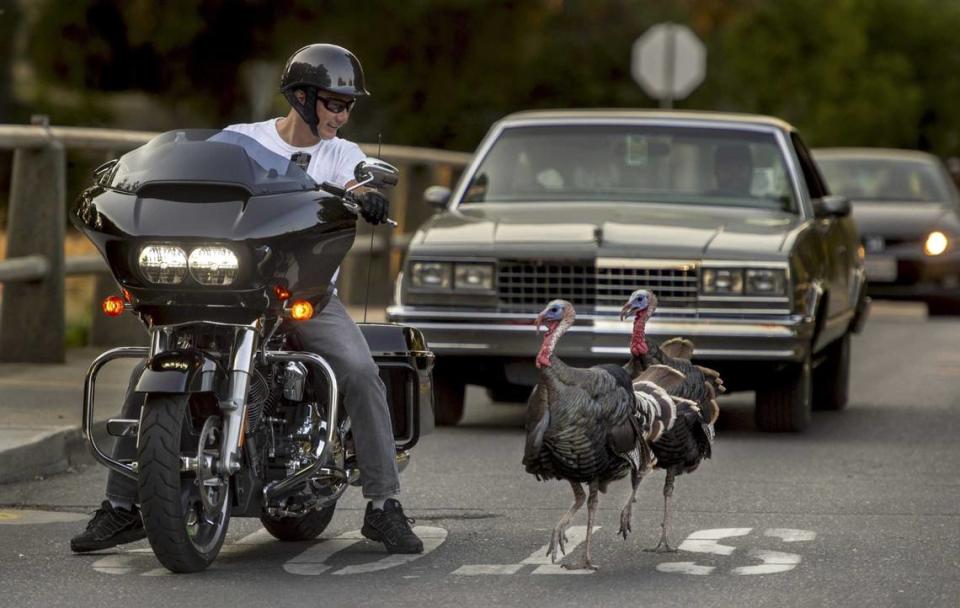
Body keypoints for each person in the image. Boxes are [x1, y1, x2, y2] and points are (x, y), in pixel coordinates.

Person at [70, 44, 423, 555]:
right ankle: (122, 507)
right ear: (301, 98)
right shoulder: (241, 140)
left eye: (349, 106)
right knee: (142, 373)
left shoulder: (342, 152)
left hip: (301, 295)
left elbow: (354, 176)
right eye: (333, 103)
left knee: (360, 370)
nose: (342, 115)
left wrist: (363, 192)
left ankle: (384, 506)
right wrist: (130, 181)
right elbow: (192, 172)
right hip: (225, 288)